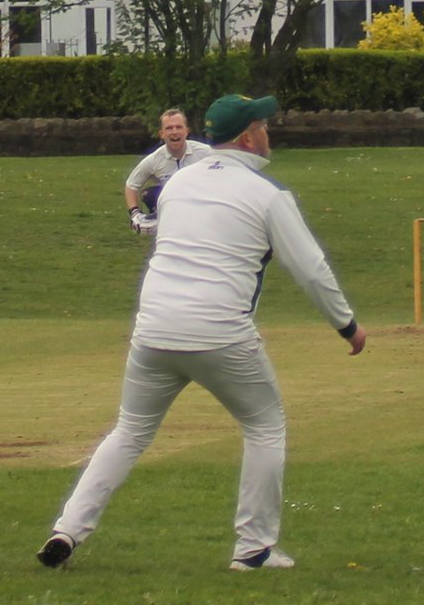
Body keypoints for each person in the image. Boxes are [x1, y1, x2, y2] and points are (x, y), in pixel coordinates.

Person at [38, 94, 366, 573]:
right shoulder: (268, 193)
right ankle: (252, 549)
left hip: (153, 328)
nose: (269, 133)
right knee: (264, 426)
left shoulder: (176, 184)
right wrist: (347, 326)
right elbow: (311, 270)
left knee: (129, 431)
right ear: (248, 137)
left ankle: (66, 529)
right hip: (220, 332)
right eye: (264, 126)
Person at [123, 108, 210, 235]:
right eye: (169, 128)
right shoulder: (154, 159)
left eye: (179, 127)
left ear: (186, 131)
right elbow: (131, 185)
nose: (174, 132)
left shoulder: (206, 153)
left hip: (202, 207)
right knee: (150, 194)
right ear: (162, 134)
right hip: (172, 211)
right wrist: (135, 213)